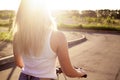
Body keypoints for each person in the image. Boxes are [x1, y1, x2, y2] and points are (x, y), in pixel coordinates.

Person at [13, 0, 87, 80]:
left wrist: (35, 71)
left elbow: (19, 63)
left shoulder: (17, 36)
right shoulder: (58, 36)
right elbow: (68, 72)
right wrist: (81, 72)